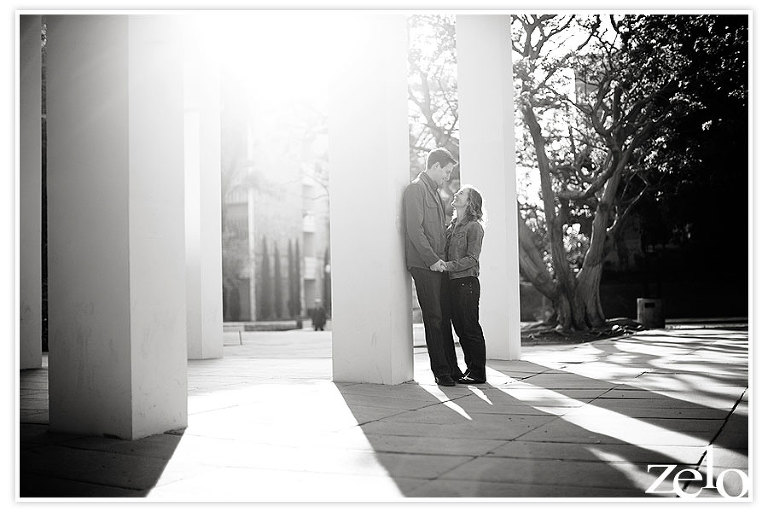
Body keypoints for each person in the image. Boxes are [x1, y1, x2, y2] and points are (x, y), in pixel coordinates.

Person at [404, 148, 463, 387]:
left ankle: (452, 367)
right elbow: (414, 230)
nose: (447, 177)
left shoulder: (434, 192)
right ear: (435, 166)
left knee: (444, 316)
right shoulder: (415, 189)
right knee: (434, 317)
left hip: (438, 265)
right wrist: (432, 259)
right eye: (446, 171)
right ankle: (441, 371)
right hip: (424, 265)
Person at [443, 185, 487, 384]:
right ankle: (471, 369)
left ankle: (478, 372)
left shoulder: (474, 227)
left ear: (470, 203)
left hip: (466, 283)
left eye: (461, 193)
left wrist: (447, 266)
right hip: (452, 284)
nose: (456, 194)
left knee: (470, 328)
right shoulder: (451, 227)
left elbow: (472, 259)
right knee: (460, 329)